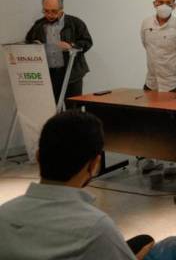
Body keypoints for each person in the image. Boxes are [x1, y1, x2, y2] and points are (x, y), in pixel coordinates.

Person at [0, 110, 154, 260]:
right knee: (158, 245)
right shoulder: (96, 228)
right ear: (94, 164)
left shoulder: (4, 214)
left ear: (38, 157)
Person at [139, 0, 176, 175]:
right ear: (154, 3)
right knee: (152, 122)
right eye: (160, 2)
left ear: (174, 5)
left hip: (174, 82)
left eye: (168, 2)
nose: (164, 5)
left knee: (175, 124)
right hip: (152, 81)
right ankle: (153, 157)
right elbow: (145, 45)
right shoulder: (146, 23)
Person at [25, 0, 93, 102]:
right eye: (46, 11)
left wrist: (71, 46)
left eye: (54, 11)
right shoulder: (38, 25)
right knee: (51, 105)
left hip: (71, 73)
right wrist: (35, 44)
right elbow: (28, 41)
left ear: (61, 9)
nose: (50, 15)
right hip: (49, 74)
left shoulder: (75, 23)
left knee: (73, 105)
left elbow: (87, 42)